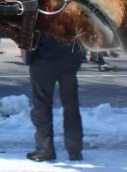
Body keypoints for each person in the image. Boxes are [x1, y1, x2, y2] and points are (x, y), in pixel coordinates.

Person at [26, 34, 84, 162]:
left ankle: (44, 150)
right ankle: (74, 150)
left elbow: (28, 32)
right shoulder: (71, 12)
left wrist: (29, 58)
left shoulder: (39, 13)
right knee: (71, 105)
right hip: (68, 58)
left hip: (43, 59)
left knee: (42, 105)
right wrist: (78, 58)